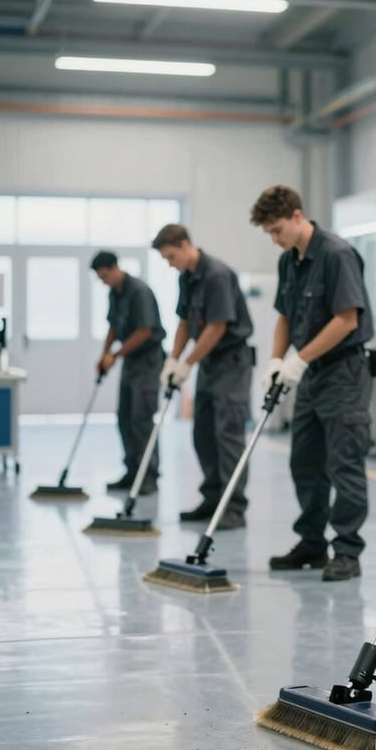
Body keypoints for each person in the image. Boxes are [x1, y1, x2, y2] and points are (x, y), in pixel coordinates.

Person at [250, 185, 374, 582]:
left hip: (344, 373)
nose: (274, 239)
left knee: (344, 463)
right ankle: (312, 543)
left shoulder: (337, 255)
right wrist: (275, 360)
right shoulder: (290, 261)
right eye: (268, 233)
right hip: (310, 376)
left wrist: (298, 360)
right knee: (305, 461)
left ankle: (347, 551)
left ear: (298, 216)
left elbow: (347, 319)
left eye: (277, 230)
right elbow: (285, 315)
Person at [151, 224, 254, 530]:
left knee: (228, 435)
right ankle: (213, 500)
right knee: (204, 434)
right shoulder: (187, 277)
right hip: (209, 363)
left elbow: (217, 327)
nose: (170, 263)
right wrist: (173, 359)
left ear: (185, 245)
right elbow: (184, 321)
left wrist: (188, 364)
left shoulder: (217, 275)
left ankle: (233, 507)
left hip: (231, 363)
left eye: (171, 256)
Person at [91, 251, 165, 495]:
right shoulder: (115, 293)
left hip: (148, 361)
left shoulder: (139, 292)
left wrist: (116, 355)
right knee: (124, 417)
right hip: (131, 362)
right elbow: (114, 326)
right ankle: (132, 472)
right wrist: (105, 354)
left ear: (115, 268)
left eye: (104, 276)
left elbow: (144, 331)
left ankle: (148, 476)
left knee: (141, 419)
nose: (103, 282)